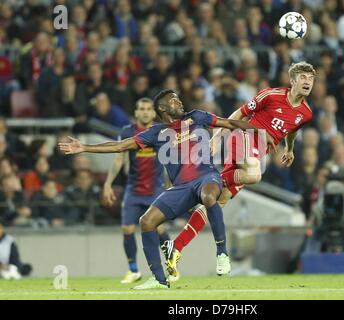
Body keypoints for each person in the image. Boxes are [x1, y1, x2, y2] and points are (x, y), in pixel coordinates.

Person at [58, 89, 274, 289]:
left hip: (207, 177)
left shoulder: (196, 116)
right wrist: (85, 147)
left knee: (210, 196)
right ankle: (159, 280)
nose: (179, 101)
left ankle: (222, 254)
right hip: (181, 187)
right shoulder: (156, 132)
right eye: (173, 100)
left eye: (179, 98)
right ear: (162, 108)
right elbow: (121, 146)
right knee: (146, 221)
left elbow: (230, 123)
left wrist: (263, 133)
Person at [164, 61, 315, 281]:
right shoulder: (271, 95)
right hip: (242, 138)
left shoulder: (306, 113)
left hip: (255, 155)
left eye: (311, 79)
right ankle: (209, 181)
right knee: (255, 175)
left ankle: (176, 247)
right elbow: (239, 113)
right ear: (292, 81)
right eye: (303, 77)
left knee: (216, 202)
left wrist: (289, 148)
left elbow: (293, 129)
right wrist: (217, 136)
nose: (307, 82)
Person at [102, 98, 170, 284]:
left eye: (149, 109)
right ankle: (133, 270)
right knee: (127, 228)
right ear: (136, 112)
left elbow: (171, 159)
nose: (146, 112)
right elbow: (118, 159)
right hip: (133, 188)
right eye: (142, 109)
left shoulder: (162, 131)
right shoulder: (127, 132)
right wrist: (108, 184)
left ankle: (171, 264)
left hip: (156, 188)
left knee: (160, 228)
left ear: (154, 113)